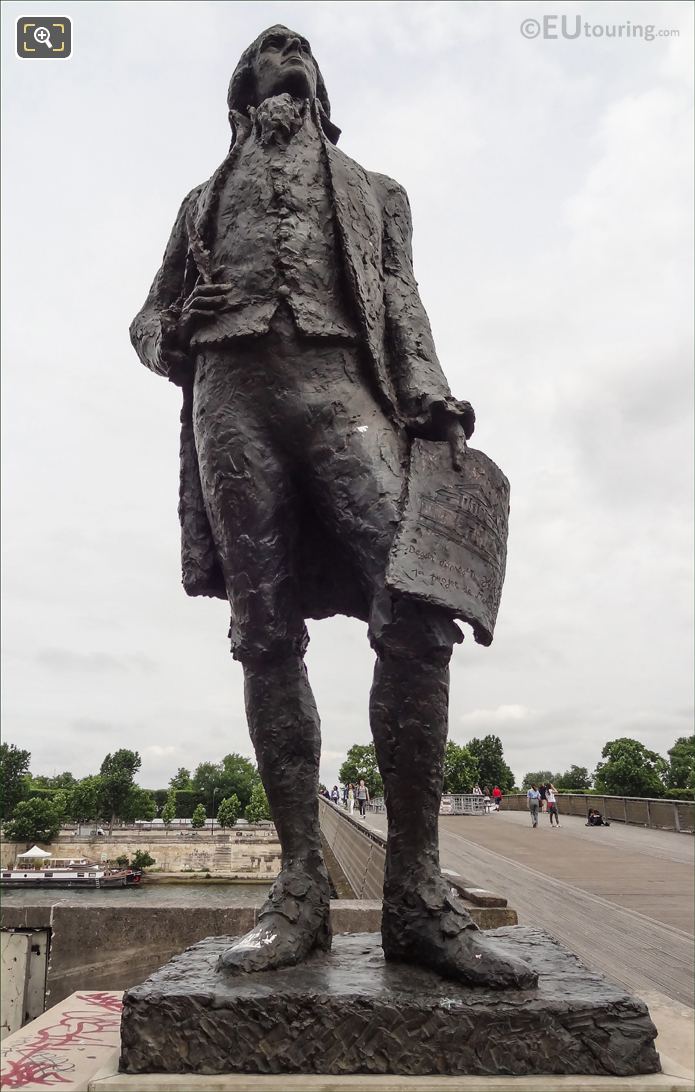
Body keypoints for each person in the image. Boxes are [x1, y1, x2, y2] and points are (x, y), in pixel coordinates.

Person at [131, 23, 534, 990]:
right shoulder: (199, 201)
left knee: (418, 609)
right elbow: (145, 323)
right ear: (244, 99)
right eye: (269, 59)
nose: (285, 55)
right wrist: (176, 331)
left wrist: (431, 395)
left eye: (300, 58)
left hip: (339, 388)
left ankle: (417, 897)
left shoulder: (375, 193)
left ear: (317, 92)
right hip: (230, 401)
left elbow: (400, 298)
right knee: (264, 633)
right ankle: (300, 890)